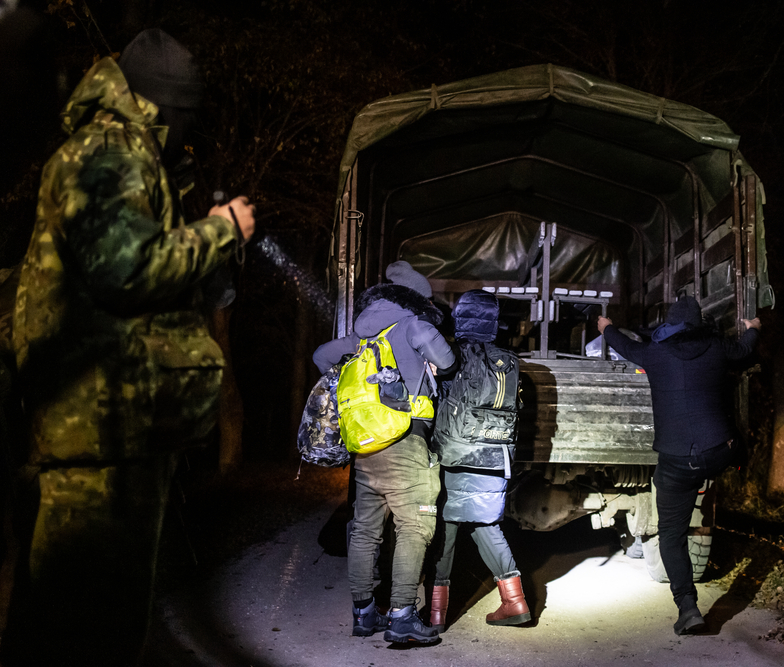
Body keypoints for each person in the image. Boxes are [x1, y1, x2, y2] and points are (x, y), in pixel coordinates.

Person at [4, 29, 255, 666]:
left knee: (73, 623)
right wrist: (221, 232)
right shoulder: (110, 151)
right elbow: (125, 269)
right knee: (88, 628)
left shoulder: (124, 152)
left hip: (110, 428)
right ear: (162, 107)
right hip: (97, 431)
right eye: (183, 118)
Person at [598, 297, 759, 635]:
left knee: (672, 535)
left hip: (678, 461)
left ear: (669, 324)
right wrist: (754, 329)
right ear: (699, 323)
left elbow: (625, 345)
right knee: (728, 446)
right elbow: (744, 351)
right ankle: (737, 464)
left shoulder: (655, 354)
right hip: (718, 453)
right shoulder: (717, 347)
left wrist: (606, 327)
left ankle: (688, 607)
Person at [313, 260, 455, 644]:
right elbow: (448, 361)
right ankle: (402, 617)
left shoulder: (361, 337)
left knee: (364, 531)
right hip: (405, 440)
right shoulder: (413, 325)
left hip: (365, 448)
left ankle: (364, 615)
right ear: (415, 299)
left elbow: (321, 356)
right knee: (414, 526)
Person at [429, 289, 530, 631]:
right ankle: (515, 602)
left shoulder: (451, 356)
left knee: (446, 525)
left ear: (460, 319)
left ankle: (436, 613)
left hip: (455, 454)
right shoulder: (510, 362)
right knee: (486, 524)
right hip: (497, 457)